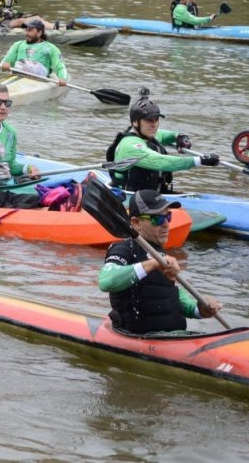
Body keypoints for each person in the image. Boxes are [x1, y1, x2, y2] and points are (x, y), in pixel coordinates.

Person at [99, 190, 221, 334]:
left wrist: (198, 310)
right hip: (141, 337)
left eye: (168, 217)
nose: (166, 224)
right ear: (136, 223)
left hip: (173, 336)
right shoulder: (124, 249)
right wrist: (153, 263)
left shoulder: (160, 252)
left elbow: (169, 294)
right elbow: (106, 281)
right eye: (157, 219)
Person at [106, 97, 219, 193]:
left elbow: (165, 135)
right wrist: (200, 160)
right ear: (135, 122)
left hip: (154, 195)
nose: (154, 125)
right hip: (131, 199)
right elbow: (162, 162)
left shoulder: (146, 133)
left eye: (156, 120)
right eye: (149, 120)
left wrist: (179, 136)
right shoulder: (130, 145)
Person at [0, 18, 68, 85]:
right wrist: (5, 64)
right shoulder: (18, 45)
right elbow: (6, 61)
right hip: (17, 75)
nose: (27, 33)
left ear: (39, 33)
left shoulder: (51, 48)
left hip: (38, 80)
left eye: (30, 30)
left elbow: (59, 65)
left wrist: (62, 78)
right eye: (26, 30)